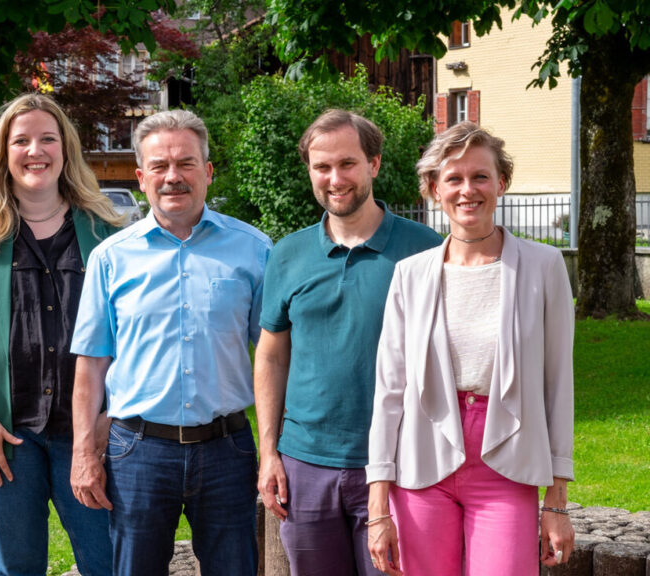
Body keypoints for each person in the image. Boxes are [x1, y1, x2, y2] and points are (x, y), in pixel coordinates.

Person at [0, 93, 123, 576]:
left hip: (87, 433)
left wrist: (109, 420)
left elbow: (133, 332)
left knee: (112, 563)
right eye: (22, 140)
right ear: (3, 152)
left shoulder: (105, 230)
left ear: (66, 149)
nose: (36, 150)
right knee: (16, 568)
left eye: (48, 139)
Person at [367, 121, 575, 576]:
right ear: (432, 189)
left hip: (506, 462)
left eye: (480, 176)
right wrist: (379, 507)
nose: (468, 190)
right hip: (422, 462)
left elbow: (558, 386)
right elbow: (389, 393)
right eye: (453, 178)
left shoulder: (544, 267)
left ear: (501, 183)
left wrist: (557, 500)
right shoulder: (410, 275)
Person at [69, 109, 271, 576]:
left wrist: (275, 449)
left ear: (208, 171)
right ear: (141, 177)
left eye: (186, 163)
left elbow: (273, 357)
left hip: (228, 448)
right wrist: (84, 453)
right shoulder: (110, 258)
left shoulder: (255, 250)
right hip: (138, 453)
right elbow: (90, 366)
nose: (173, 177)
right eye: (159, 166)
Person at [255, 109, 442, 575]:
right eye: (322, 167)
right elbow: (272, 355)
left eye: (347, 164)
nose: (334, 178)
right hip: (304, 465)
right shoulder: (288, 254)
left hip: (399, 465)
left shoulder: (425, 249)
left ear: (374, 164)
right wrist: (269, 453)